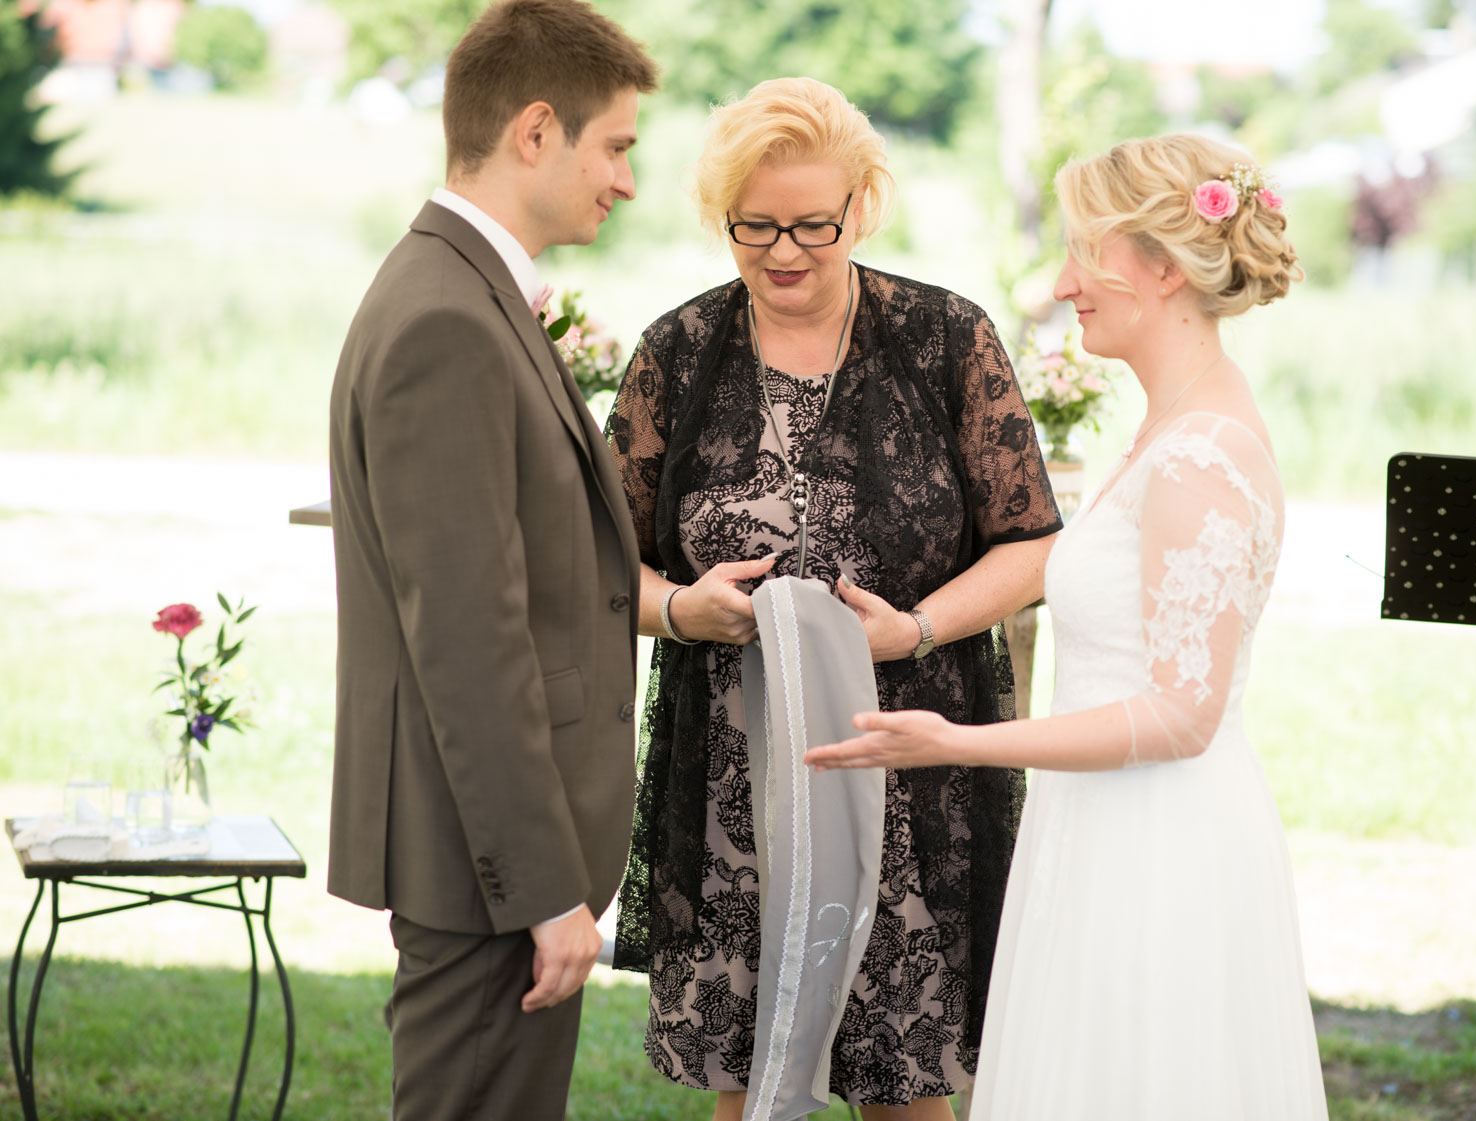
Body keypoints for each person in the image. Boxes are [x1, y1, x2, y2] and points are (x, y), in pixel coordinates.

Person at [806, 134, 1329, 1119]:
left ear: (1165, 269)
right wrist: (912, 628)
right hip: (1099, 823)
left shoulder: (1200, 461)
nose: (1061, 282)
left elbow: (1181, 715)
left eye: (1085, 253)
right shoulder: (1167, 431)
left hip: (1157, 844)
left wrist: (957, 741)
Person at [605, 77, 1061, 1120]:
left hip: (906, 767)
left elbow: (1031, 542)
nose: (785, 252)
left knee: (904, 1088)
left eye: (815, 223)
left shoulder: (945, 337)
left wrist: (920, 624)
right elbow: (599, 566)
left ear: (864, 204)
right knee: (752, 1084)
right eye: (754, 226)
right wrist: (680, 608)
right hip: (734, 780)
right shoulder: (676, 352)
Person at [324, 3, 657, 1118]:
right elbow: (468, 634)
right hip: (489, 868)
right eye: (615, 146)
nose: (624, 180)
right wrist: (545, 889)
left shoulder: (464, 292)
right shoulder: (446, 322)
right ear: (534, 131)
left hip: (493, 861)